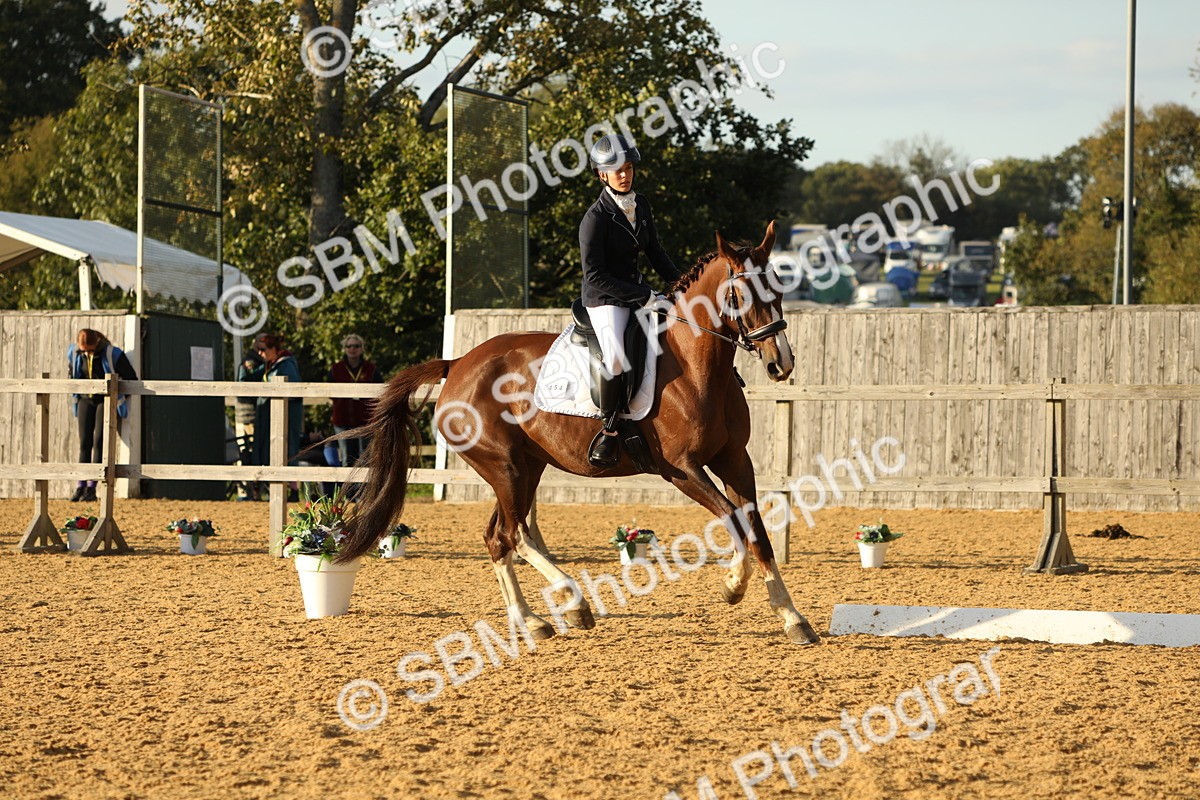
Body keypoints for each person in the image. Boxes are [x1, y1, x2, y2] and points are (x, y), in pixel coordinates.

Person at [578, 132, 681, 467]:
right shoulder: (595, 219)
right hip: (605, 299)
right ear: (601, 174)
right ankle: (609, 429)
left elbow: (655, 252)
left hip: (638, 292)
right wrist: (643, 295)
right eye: (616, 169)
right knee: (618, 358)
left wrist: (681, 285)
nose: (624, 174)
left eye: (628, 167)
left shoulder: (642, 204)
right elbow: (595, 275)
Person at [66, 329, 138, 501]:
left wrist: (118, 398)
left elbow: (131, 379)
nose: (87, 353)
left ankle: (92, 487)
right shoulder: (75, 354)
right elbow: (73, 376)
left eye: (90, 350)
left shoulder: (113, 353)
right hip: (85, 400)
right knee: (85, 443)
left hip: (104, 400)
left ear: (96, 343)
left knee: (98, 441)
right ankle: (80, 485)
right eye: (84, 350)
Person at [328, 333, 382, 468]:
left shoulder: (371, 369)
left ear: (362, 349)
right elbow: (329, 391)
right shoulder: (336, 369)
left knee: (365, 459)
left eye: (356, 346)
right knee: (347, 459)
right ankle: (349, 489)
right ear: (345, 348)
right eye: (349, 346)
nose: (353, 349)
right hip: (342, 421)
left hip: (366, 421)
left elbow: (380, 392)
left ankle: (364, 489)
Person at [250, 333, 303, 471]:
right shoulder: (269, 365)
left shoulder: (286, 364)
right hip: (269, 416)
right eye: (258, 350)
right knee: (267, 452)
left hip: (285, 418)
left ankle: (293, 490)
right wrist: (246, 363)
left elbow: (294, 392)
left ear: (273, 348)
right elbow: (245, 379)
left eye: (263, 350)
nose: (260, 353)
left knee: (287, 451)